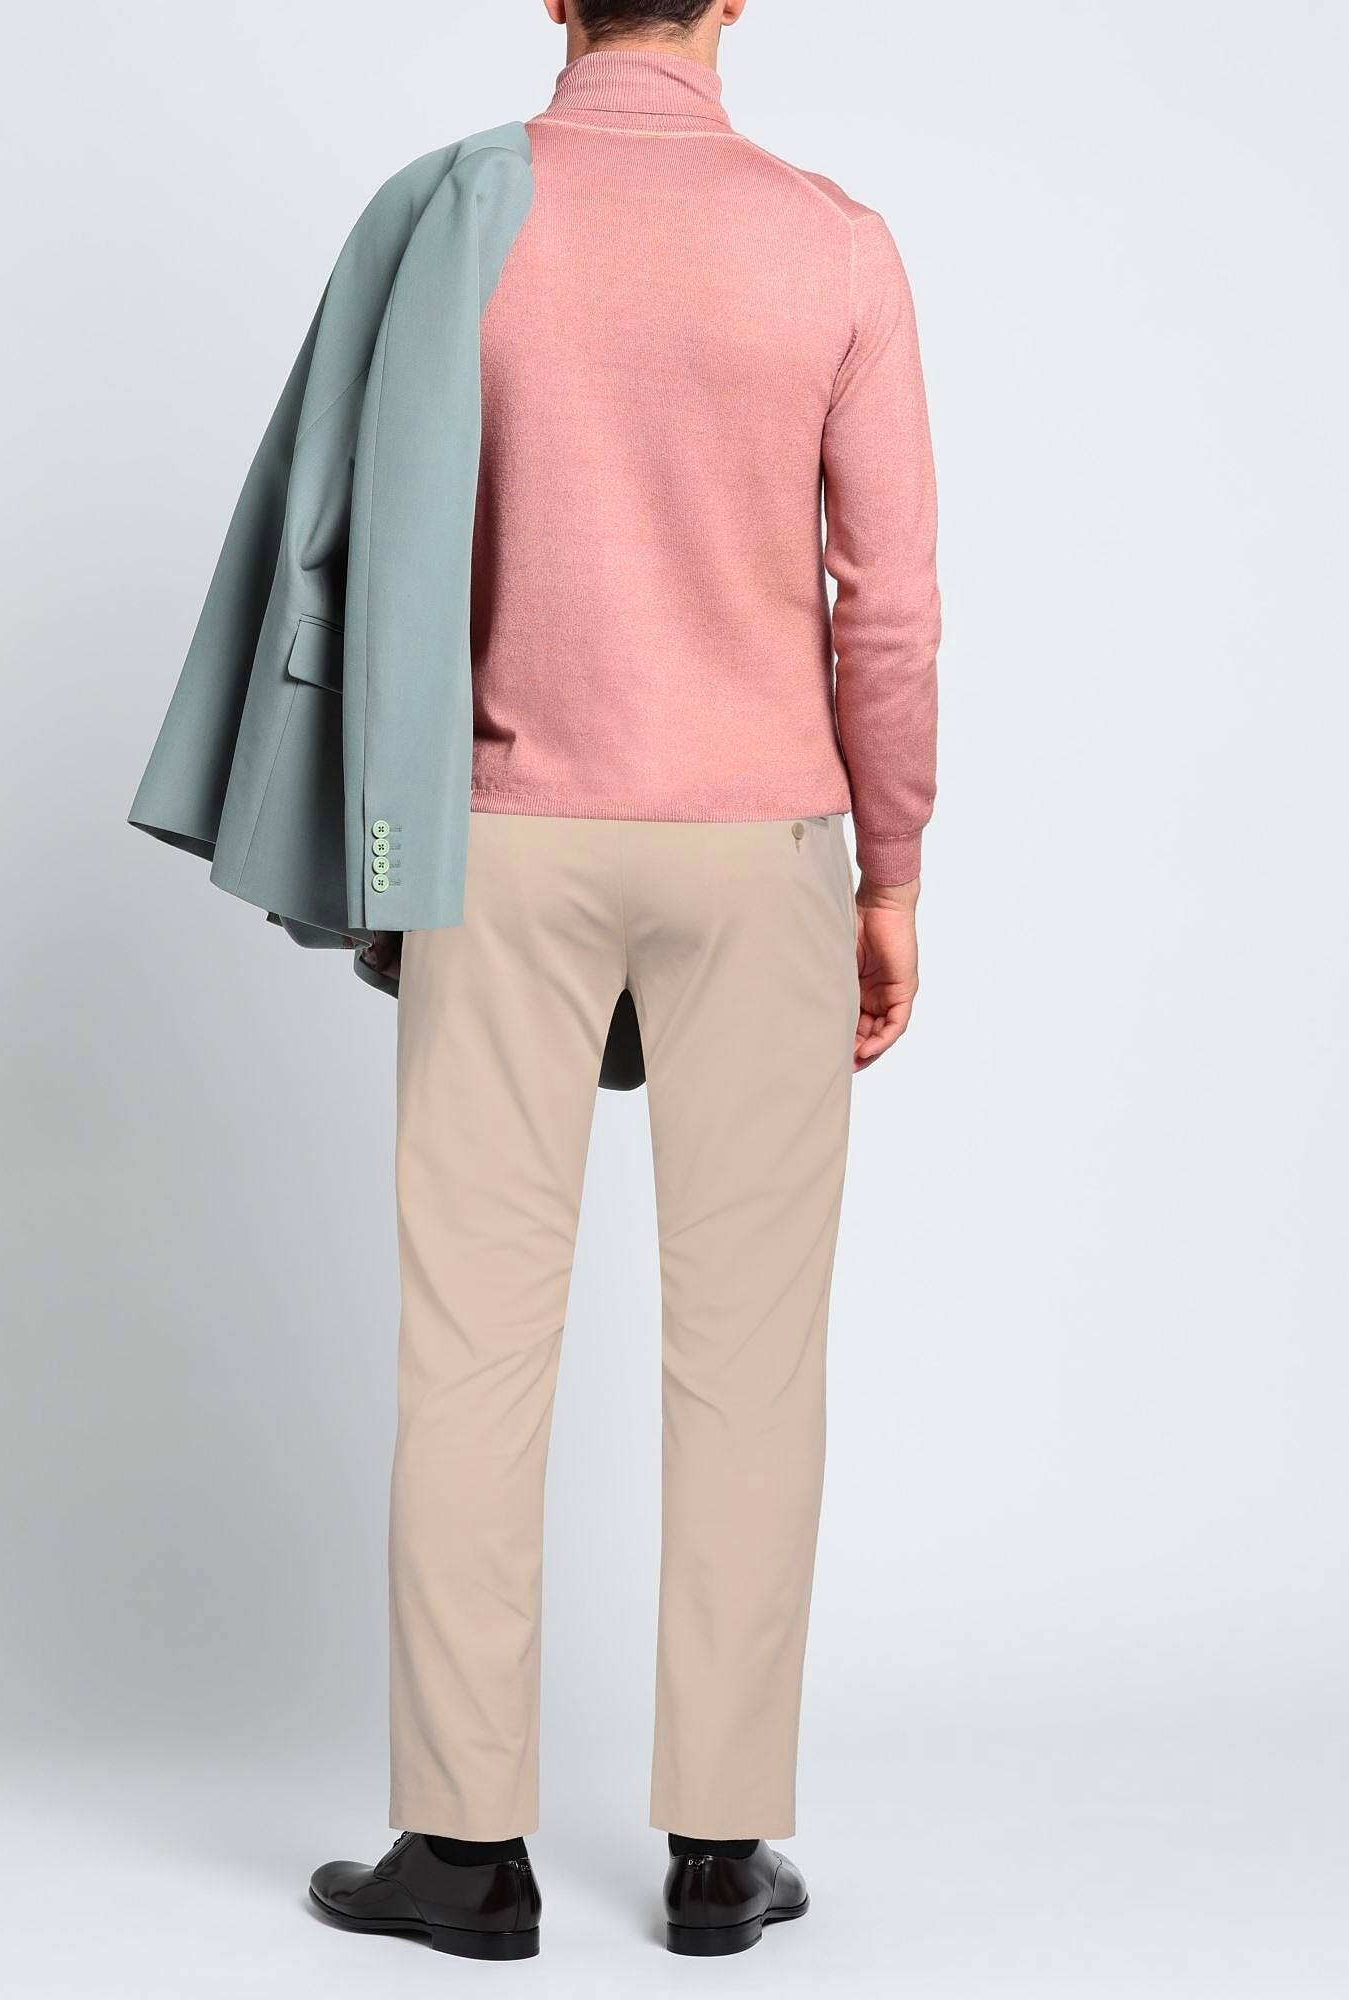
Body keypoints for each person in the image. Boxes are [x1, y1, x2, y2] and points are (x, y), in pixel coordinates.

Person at [307, 0, 940, 1961]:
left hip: (499, 840)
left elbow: (380, 562)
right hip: (763, 845)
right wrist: (895, 871)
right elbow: (889, 609)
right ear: (734, 1)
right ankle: (722, 1852)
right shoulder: (834, 243)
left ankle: (462, 1853)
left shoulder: (458, 220)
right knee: (752, 1353)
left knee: (473, 1340)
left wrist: (382, 862)